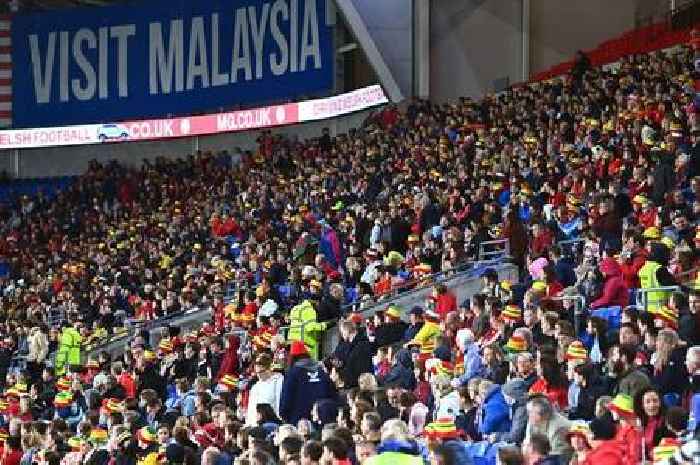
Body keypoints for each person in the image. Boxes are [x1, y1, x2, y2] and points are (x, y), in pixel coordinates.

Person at [280, 341, 336, 425]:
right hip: (322, 419)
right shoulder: (321, 372)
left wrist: (284, 415)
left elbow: (286, 398)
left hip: (299, 422)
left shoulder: (293, 373)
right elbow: (332, 394)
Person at [525, 395, 573, 464]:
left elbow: (556, 456)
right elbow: (527, 443)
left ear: (542, 415)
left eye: (531, 412)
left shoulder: (558, 427)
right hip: (540, 455)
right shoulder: (533, 420)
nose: (529, 415)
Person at [246, 353, 284, 426]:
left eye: (261, 372)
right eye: (257, 373)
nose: (259, 375)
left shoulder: (278, 380)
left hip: (272, 422)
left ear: (268, 369)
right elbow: (251, 409)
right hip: (257, 424)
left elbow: (279, 402)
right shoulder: (255, 387)